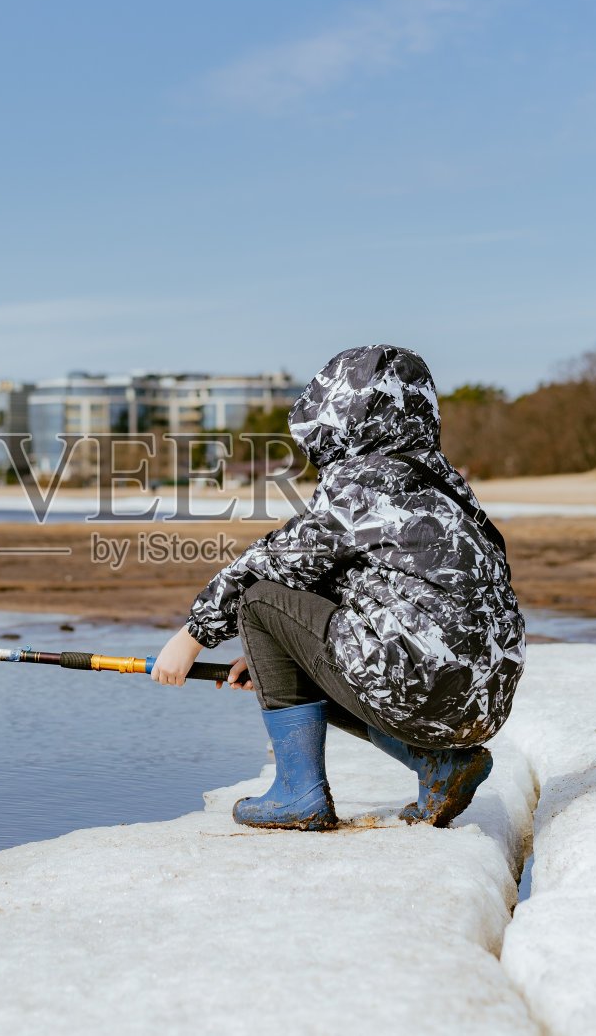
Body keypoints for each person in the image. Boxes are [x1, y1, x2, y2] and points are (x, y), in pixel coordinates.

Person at [151, 344, 525, 831]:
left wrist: (191, 637)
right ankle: (440, 764)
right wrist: (277, 657)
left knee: (258, 599)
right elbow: (369, 582)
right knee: (305, 630)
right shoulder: (442, 482)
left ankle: (298, 792)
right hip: (486, 699)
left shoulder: (364, 483)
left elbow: (268, 565)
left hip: (424, 688)